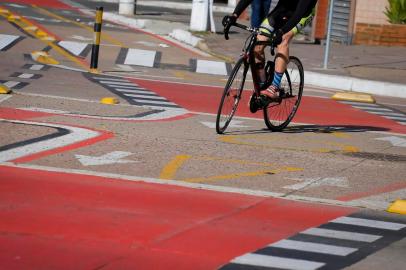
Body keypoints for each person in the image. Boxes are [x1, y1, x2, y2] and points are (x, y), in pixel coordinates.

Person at [223, 0, 317, 99]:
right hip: (282, 9)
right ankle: (263, 83)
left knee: (283, 40)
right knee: (258, 42)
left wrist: (281, 31)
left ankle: (275, 87)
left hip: (303, 14)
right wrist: (234, 15)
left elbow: (299, 13)